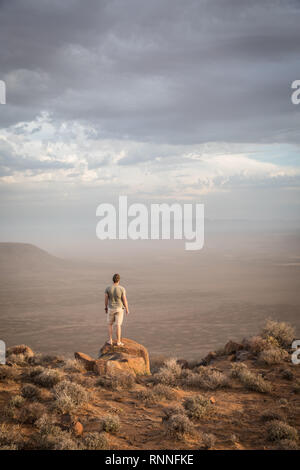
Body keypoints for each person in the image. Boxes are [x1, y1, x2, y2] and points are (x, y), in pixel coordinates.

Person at [104, 273, 129, 346]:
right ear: (119, 280)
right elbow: (124, 300)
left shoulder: (108, 288)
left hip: (110, 308)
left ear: (113, 280)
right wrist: (127, 309)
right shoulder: (122, 288)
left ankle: (110, 340)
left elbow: (106, 299)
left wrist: (105, 308)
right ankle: (118, 342)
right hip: (119, 309)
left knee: (110, 324)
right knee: (118, 325)